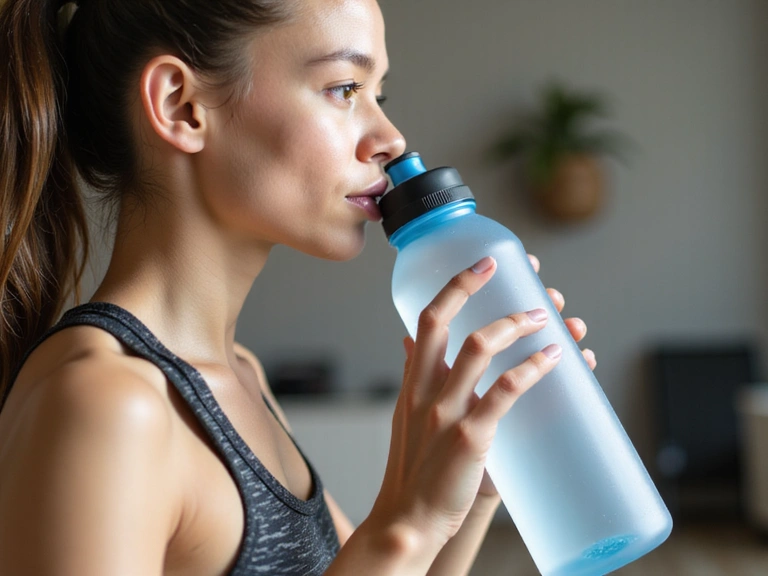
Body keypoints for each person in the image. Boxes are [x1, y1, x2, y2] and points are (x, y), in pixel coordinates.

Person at [0, 0, 597, 574]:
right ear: (181, 106)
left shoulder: (243, 376)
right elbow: (393, 552)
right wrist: (405, 523)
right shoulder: (103, 404)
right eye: (344, 89)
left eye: (379, 94)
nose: (391, 140)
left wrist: (479, 472)